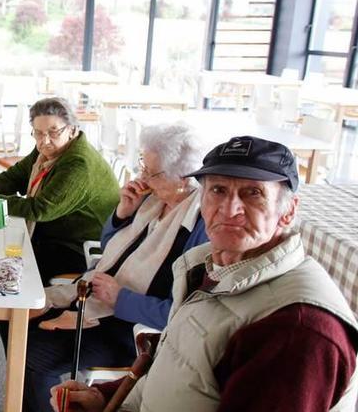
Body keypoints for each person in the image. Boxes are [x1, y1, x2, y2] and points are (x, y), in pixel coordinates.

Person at [52, 136, 358, 412]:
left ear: (288, 210)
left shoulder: (297, 330)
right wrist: (104, 397)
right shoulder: (206, 267)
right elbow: (178, 369)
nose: (229, 209)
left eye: (253, 193)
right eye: (218, 190)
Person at [21, 123, 208, 412]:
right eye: (142, 165)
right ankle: (23, 400)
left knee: (33, 357)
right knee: (16, 317)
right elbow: (109, 249)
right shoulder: (151, 200)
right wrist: (122, 212)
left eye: (151, 172)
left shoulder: (199, 228)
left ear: (182, 178)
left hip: (132, 329)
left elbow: (180, 313)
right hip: (98, 297)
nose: (142, 176)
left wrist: (120, 298)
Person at [0, 97, 119, 283]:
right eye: (38, 133)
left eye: (54, 132)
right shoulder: (47, 150)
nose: (45, 140)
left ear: (72, 129)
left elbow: (39, 209)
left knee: (4, 269)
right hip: (50, 233)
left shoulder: (79, 164)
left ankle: (20, 311)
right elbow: (16, 175)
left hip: (74, 247)